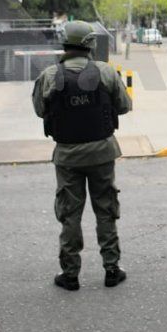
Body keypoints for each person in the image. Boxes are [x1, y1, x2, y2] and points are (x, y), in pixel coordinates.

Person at [33, 20, 132, 291]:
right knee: (106, 211)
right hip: (102, 152)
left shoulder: (50, 75)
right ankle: (112, 269)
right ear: (90, 44)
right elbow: (124, 106)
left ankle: (70, 274)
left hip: (68, 156)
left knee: (70, 215)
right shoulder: (105, 72)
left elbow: (40, 110)